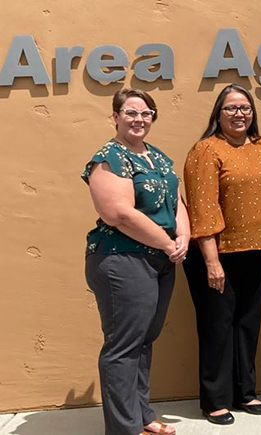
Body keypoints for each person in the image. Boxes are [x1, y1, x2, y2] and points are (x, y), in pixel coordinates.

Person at [83, 88, 188, 435]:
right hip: (121, 259)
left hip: (159, 258)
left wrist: (183, 237)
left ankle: (142, 415)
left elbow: (177, 201)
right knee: (123, 346)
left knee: (143, 341)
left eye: (145, 113)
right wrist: (169, 243)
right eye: (130, 113)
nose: (138, 119)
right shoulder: (108, 158)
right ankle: (124, 428)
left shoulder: (157, 157)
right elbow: (119, 213)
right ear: (115, 117)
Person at [182, 84, 261, 424]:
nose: (239, 114)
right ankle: (214, 399)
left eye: (245, 108)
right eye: (231, 108)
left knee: (247, 326)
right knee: (217, 327)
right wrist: (211, 261)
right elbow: (202, 209)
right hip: (217, 254)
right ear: (218, 114)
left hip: (256, 251)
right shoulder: (206, 150)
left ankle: (244, 392)